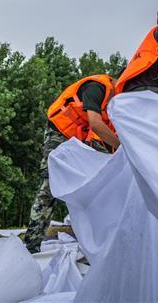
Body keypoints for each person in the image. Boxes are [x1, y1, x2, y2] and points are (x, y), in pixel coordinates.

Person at [22, 73, 117, 253]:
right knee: (48, 187)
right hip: (58, 133)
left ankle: (96, 242)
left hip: (78, 140)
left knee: (95, 186)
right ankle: (31, 245)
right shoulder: (97, 88)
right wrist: (122, 147)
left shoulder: (115, 106)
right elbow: (95, 124)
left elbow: (103, 139)